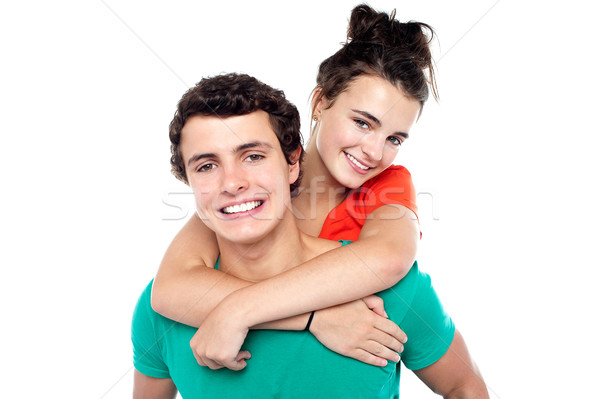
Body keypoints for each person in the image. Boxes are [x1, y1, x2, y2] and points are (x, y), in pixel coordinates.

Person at [132, 72, 488, 398]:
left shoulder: (386, 291)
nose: (232, 183)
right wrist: (313, 318)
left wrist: (238, 311)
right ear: (188, 181)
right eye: (207, 166)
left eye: (253, 156)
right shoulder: (164, 308)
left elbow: (463, 386)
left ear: (292, 163)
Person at [152, 4, 439, 369]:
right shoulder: (255, 176)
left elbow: (390, 259)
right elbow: (171, 288)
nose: (374, 151)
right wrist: (313, 318)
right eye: (363, 123)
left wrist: (239, 309)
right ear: (320, 103)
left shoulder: (389, 184)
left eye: (395, 138)